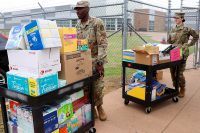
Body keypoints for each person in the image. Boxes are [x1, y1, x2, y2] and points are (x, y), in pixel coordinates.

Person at [74, 0, 108, 121]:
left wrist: (100, 63)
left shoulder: (96, 23)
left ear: (87, 9)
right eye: (76, 9)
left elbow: (102, 44)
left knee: (98, 87)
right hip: (82, 63)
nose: (77, 11)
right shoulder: (77, 26)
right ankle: (92, 108)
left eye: (80, 8)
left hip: (95, 62)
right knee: (85, 88)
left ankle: (100, 107)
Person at [167, 12, 199, 98]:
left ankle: (182, 88)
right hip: (173, 52)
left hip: (182, 53)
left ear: (182, 18)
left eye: (177, 18)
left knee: (179, 73)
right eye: (175, 18)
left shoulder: (187, 29)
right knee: (172, 71)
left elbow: (196, 36)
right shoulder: (173, 29)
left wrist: (189, 44)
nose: (175, 20)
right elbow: (169, 41)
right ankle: (176, 86)